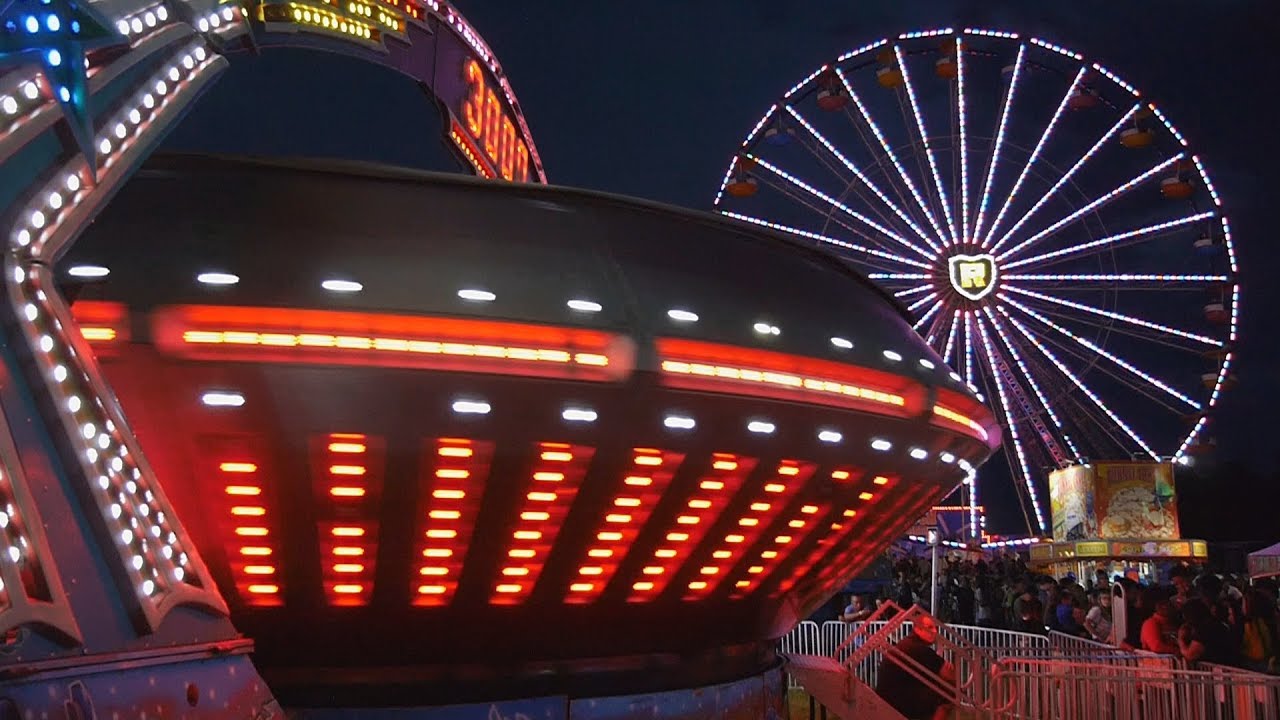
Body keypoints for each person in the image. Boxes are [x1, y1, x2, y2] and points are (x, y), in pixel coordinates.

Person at [875, 615, 955, 720]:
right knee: (949, 693)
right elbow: (949, 675)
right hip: (898, 700)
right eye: (929, 628)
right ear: (917, 629)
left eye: (935, 628)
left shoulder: (907, 643)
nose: (934, 631)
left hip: (886, 696)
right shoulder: (919, 649)